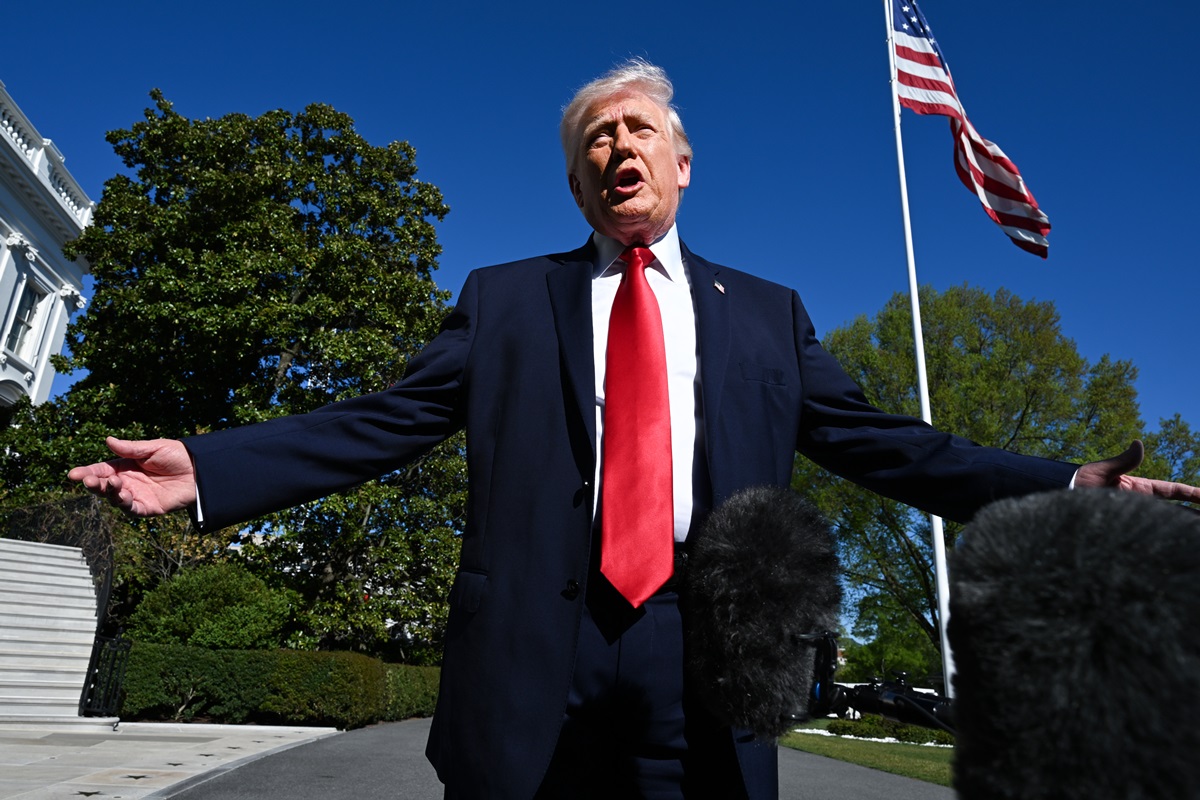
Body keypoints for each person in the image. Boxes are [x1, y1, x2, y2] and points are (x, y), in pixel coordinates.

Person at [69, 59, 1199, 799]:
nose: (618, 147)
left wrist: (1065, 489)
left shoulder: (767, 315)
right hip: (532, 651)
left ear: (681, 163)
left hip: (700, 651)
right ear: (579, 187)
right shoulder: (505, 301)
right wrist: (206, 468)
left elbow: (890, 443)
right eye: (596, 140)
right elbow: (383, 421)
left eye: (638, 128)